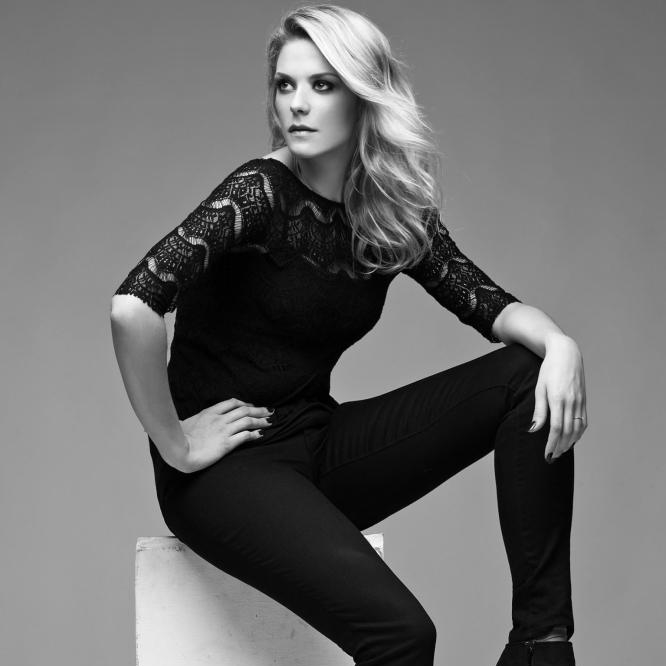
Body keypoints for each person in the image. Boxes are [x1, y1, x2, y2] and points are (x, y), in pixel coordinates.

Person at [110, 5, 587, 665]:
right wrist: (176, 444)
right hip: (225, 475)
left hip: (317, 447)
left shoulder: (388, 213)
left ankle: (540, 645)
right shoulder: (259, 192)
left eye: (322, 85)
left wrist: (562, 345)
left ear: (364, 96)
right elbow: (133, 306)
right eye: (285, 85)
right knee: (403, 634)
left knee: (529, 376)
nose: (297, 104)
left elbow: (491, 306)